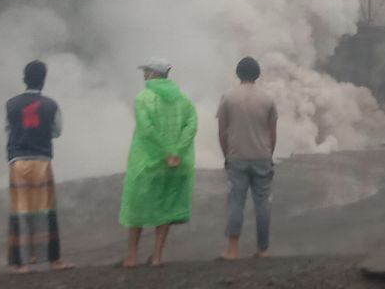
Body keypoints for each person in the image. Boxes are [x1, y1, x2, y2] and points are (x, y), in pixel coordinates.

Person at [119, 57, 198, 267]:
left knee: (136, 208)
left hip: (147, 164)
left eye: (146, 71)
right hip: (177, 164)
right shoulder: (183, 99)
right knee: (166, 207)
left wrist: (165, 152)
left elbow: (146, 130)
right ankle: (156, 257)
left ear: (153, 74)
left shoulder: (143, 98)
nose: (144, 74)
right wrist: (176, 152)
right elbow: (191, 126)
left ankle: (132, 256)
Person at [5, 60, 71, 272]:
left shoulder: (11, 104)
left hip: (18, 161)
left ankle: (22, 263)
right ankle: (54, 260)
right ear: (44, 80)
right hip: (41, 160)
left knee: (21, 210)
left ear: (24, 79)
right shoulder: (51, 105)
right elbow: (57, 131)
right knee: (45, 209)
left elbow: (8, 129)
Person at [216, 56, 278, 259]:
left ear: (238, 73)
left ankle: (232, 250)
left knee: (236, 201)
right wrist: (269, 155)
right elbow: (272, 132)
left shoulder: (228, 97)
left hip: (237, 157)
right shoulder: (268, 99)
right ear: (257, 74)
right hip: (262, 157)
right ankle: (263, 249)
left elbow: (222, 131)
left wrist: (227, 155)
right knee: (263, 204)